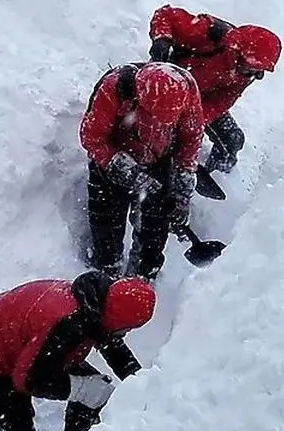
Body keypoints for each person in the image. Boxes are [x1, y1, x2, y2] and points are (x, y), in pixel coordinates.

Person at [0, 271, 156, 431]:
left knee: (98, 392)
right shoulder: (68, 323)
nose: (126, 334)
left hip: (29, 353)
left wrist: (142, 384)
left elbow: (110, 342)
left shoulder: (95, 300)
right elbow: (28, 380)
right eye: (126, 329)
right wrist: (82, 389)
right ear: (115, 319)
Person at [79, 61, 204, 280]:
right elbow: (92, 137)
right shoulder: (114, 89)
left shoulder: (187, 90)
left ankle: (144, 275)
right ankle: (107, 271)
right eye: (154, 115)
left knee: (155, 226)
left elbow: (190, 139)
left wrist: (182, 189)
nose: (160, 122)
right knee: (106, 221)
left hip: (159, 159)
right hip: (112, 157)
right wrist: (121, 168)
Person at [147, 5, 282, 201]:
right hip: (166, 89)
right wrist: (162, 39)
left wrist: (194, 123)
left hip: (197, 103)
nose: (254, 75)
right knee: (162, 146)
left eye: (258, 71)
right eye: (252, 68)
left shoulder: (246, 73)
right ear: (240, 53)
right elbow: (165, 15)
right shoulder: (211, 34)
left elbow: (221, 102)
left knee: (232, 140)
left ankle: (206, 179)